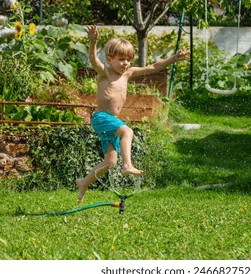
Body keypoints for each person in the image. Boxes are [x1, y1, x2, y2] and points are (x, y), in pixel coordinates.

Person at [77, 25, 189, 204]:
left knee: (109, 162)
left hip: (111, 120)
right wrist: (93, 41)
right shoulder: (105, 73)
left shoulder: (128, 74)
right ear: (109, 59)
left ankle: (83, 183)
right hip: (100, 118)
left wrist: (174, 58)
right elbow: (92, 60)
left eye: (129, 59)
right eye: (121, 59)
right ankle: (127, 165)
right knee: (127, 131)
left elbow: (153, 67)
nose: (126, 63)